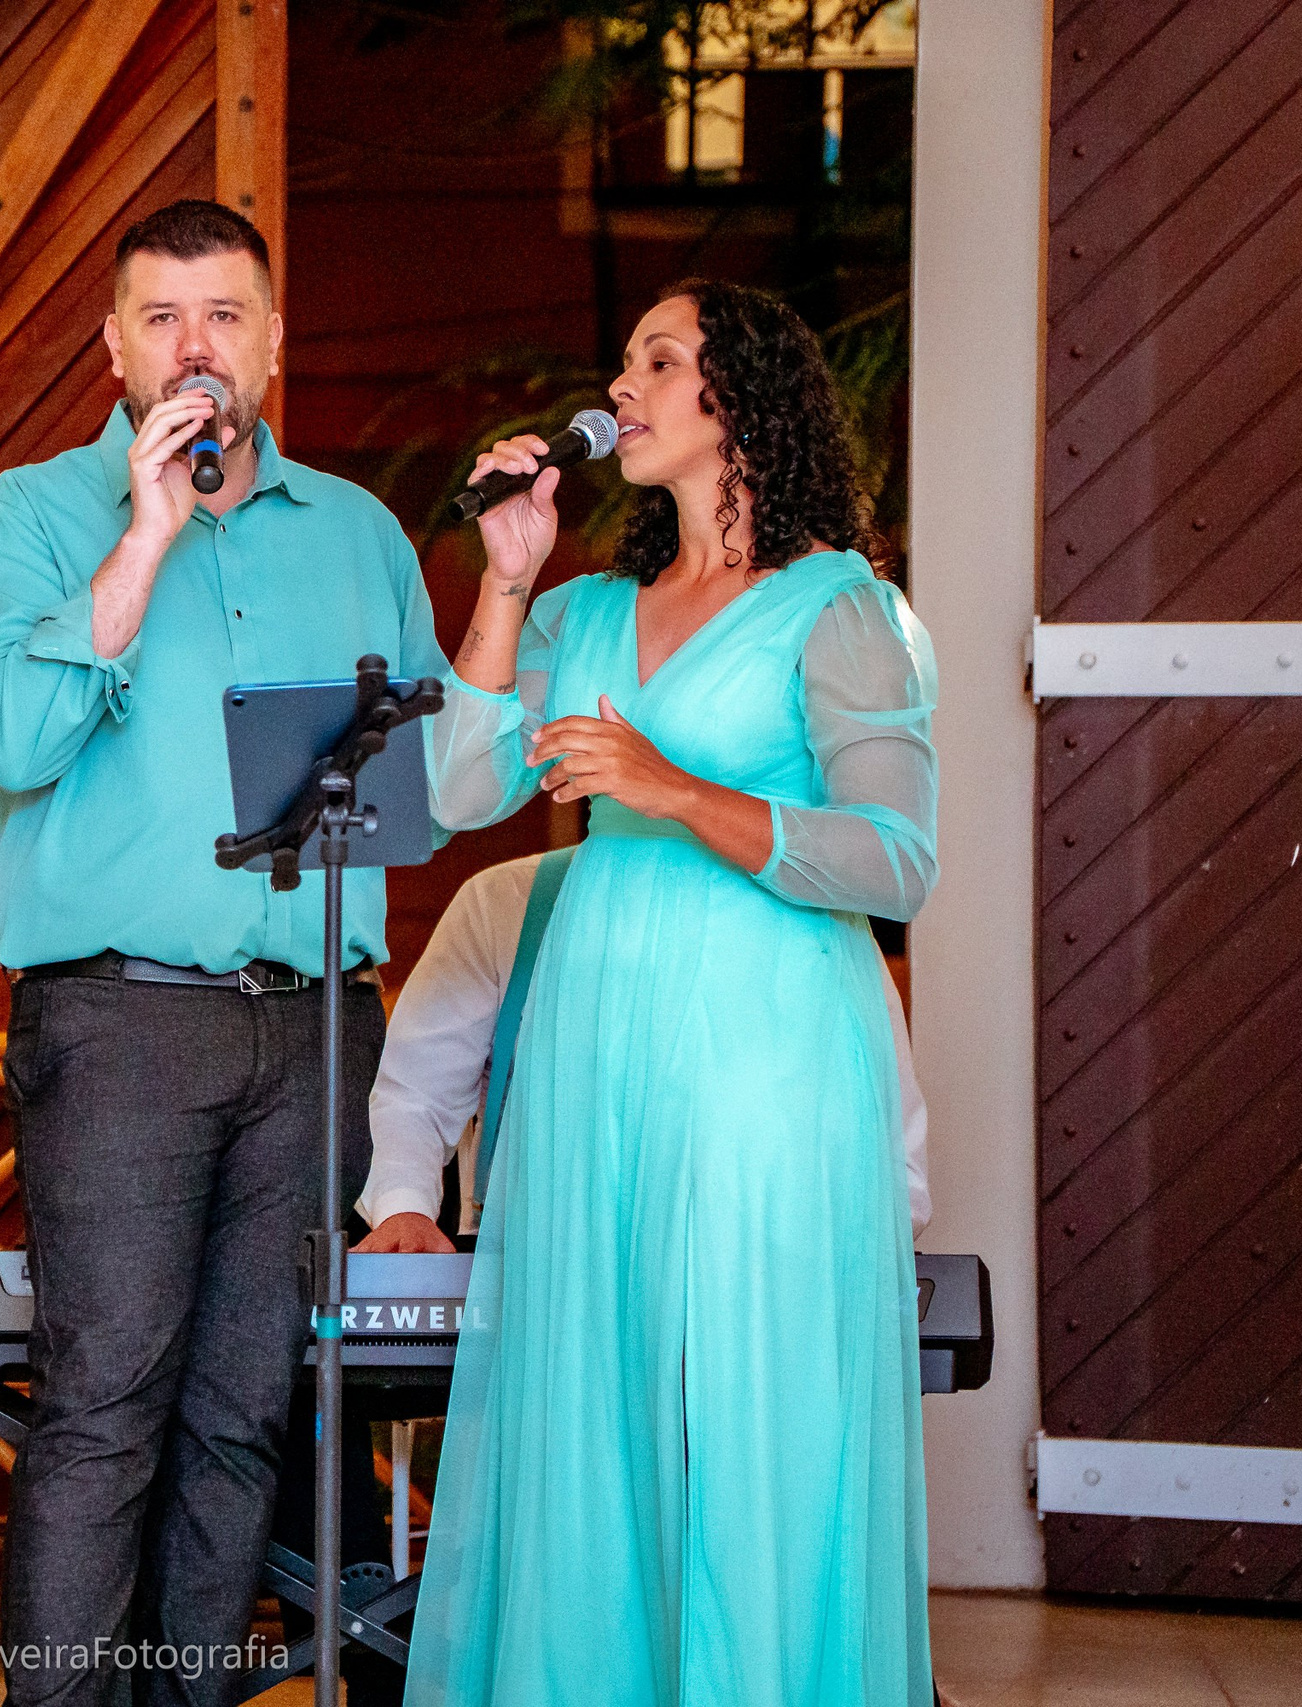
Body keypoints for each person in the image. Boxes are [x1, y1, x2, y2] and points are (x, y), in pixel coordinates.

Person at [403, 279, 938, 1706]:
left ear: (739, 397)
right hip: (595, 1049)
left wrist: (672, 787)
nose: (622, 386)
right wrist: (505, 581)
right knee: (596, 1400)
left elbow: (897, 855)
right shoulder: (581, 612)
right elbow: (455, 790)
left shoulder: (843, 609)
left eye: (658, 359)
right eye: (625, 362)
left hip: (772, 1053)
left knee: (753, 1408)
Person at [0, 201, 446, 1707]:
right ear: (113, 347)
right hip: (121, 1029)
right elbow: (9, 738)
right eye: (160, 319)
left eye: (223, 315)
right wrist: (147, 534)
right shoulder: (34, 517)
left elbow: (431, 785)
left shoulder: (358, 534)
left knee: (245, 1417)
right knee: (104, 1404)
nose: (194, 348)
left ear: (273, 341)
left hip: (314, 1028)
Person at [357, 849, 933, 1252]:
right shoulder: (505, 904)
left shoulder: (826, 927)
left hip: (753, 1303)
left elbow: (894, 1173)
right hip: (536, 1291)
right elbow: (412, 1100)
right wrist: (404, 1210)